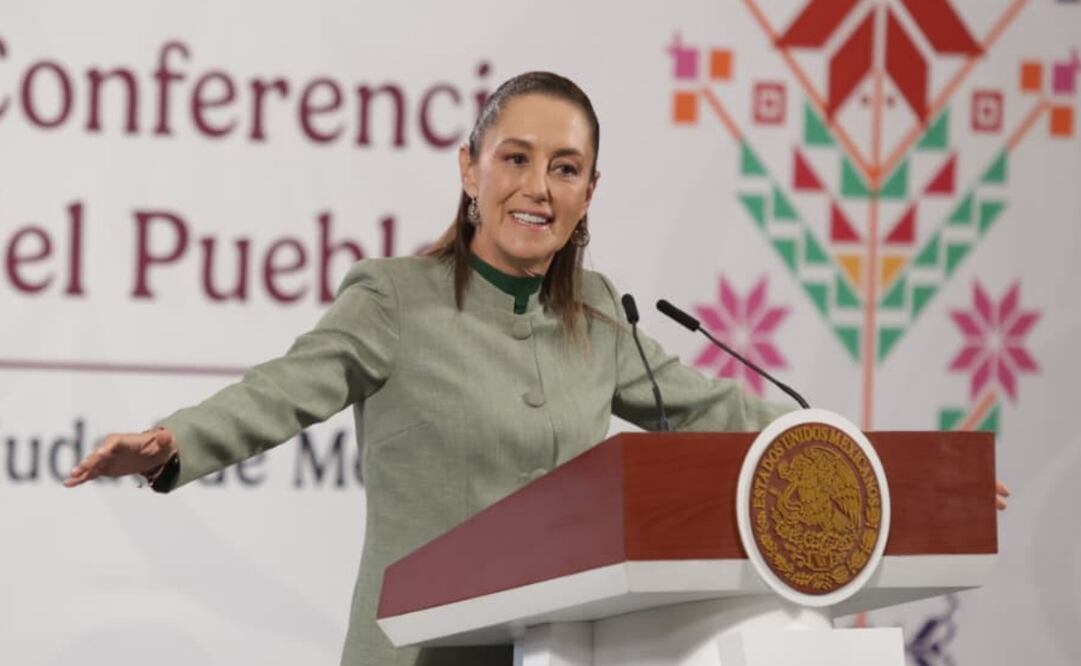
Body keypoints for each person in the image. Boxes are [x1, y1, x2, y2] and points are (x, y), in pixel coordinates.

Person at [63, 72, 1008, 666]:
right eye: (515, 158)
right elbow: (282, 388)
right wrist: (170, 443)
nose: (537, 187)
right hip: (416, 657)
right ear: (469, 168)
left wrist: (901, 480)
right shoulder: (398, 298)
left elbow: (724, 415)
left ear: (588, 191)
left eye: (564, 168)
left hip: (563, 651)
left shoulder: (600, 314)